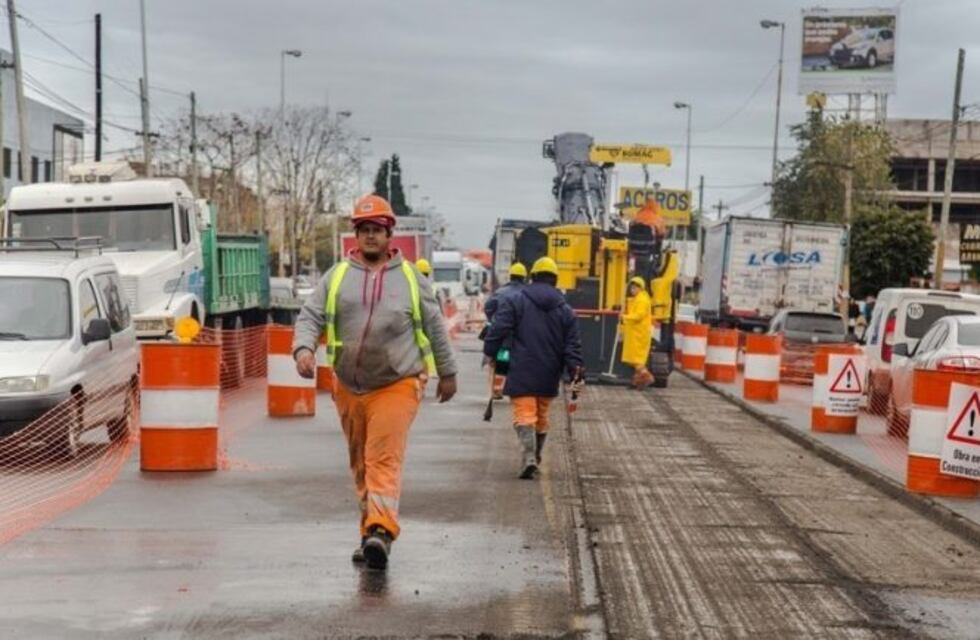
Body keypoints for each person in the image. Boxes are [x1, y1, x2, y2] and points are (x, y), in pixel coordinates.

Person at [292, 194, 457, 571]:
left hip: (397, 382)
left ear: (389, 234)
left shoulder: (412, 279)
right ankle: (367, 532)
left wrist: (448, 372)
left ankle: (381, 531)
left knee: (382, 456)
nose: (370, 237)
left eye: (377, 231)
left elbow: (435, 328)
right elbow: (310, 317)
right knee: (361, 463)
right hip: (349, 385)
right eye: (364, 230)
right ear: (356, 235)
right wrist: (302, 349)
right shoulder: (336, 277)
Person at [483, 257, 583, 479]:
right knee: (542, 414)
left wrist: (491, 350)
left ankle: (529, 457)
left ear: (533, 277)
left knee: (524, 412)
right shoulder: (566, 310)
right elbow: (572, 346)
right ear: (555, 280)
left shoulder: (516, 300)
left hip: (521, 368)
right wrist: (576, 370)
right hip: (549, 371)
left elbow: (499, 329)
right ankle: (535, 456)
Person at [483, 263, 527, 399]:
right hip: (520, 336)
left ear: (510, 276)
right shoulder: (526, 293)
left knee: (497, 361)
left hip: (501, 334)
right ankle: (514, 388)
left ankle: (496, 390)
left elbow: (488, 307)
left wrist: (494, 319)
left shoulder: (500, 292)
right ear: (524, 277)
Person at [621, 276, 654, 388]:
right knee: (635, 360)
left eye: (635, 288)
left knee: (637, 360)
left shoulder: (642, 300)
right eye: (632, 288)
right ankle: (637, 382)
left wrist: (625, 317)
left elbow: (639, 315)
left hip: (639, 334)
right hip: (635, 333)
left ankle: (646, 377)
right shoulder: (638, 298)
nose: (632, 290)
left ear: (640, 288)